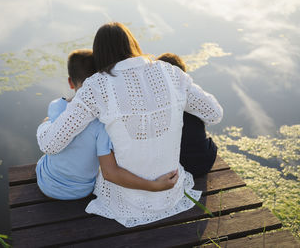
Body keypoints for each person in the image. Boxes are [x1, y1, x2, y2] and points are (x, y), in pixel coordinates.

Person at [37, 22, 223, 227]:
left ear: (100, 55)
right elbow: (214, 114)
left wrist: (45, 125)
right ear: (132, 44)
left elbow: (50, 145)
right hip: (172, 192)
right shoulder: (171, 72)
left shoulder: (96, 86)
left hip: (126, 203)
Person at [36, 49, 178, 200]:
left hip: (45, 182)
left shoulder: (57, 104)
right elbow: (110, 173)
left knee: (47, 132)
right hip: (80, 191)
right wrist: (155, 185)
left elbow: (50, 127)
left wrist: (46, 123)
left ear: (71, 82)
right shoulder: (102, 123)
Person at [156, 53, 218, 178]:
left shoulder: (156, 101)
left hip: (177, 165)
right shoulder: (193, 97)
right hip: (204, 162)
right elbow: (214, 116)